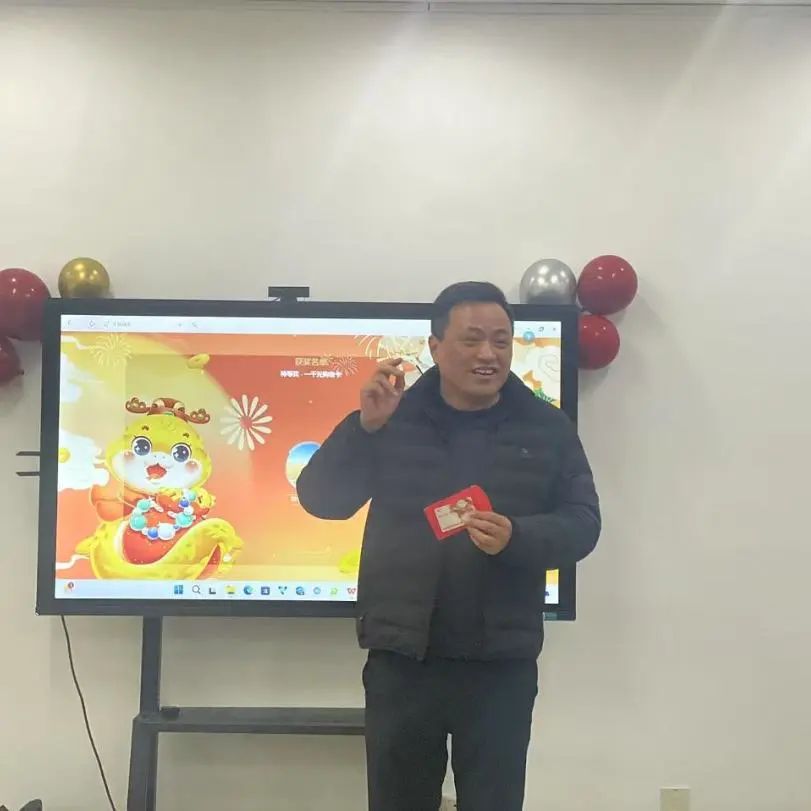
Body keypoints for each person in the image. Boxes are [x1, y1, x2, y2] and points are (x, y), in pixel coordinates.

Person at [297, 282, 601, 811]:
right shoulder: (392, 418)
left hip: (500, 664)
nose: (489, 354)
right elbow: (322, 499)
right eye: (472, 339)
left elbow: (583, 523)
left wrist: (519, 536)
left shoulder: (546, 427)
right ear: (435, 347)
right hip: (404, 661)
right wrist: (364, 428)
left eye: (501, 341)